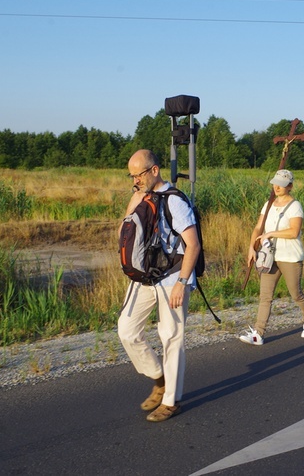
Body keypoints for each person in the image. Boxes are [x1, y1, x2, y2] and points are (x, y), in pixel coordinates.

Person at [117, 149, 200, 422]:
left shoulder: (175, 201)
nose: (135, 180)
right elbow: (124, 231)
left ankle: (171, 400)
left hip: (172, 276)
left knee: (171, 336)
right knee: (127, 330)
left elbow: (193, 245)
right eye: (131, 176)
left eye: (138, 175)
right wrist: (135, 198)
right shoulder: (141, 196)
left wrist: (181, 283)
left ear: (154, 170)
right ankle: (159, 376)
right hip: (146, 277)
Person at [239, 169, 304, 345]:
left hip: (290, 256)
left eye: (281, 184)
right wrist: (252, 247)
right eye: (275, 183)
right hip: (269, 256)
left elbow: (294, 231)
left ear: (289, 186)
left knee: (295, 294)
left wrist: (271, 234)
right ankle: (258, 333)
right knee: (265, 296)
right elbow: (258, 228)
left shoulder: (295, 206)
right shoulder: (268, 204)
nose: (277, 187)